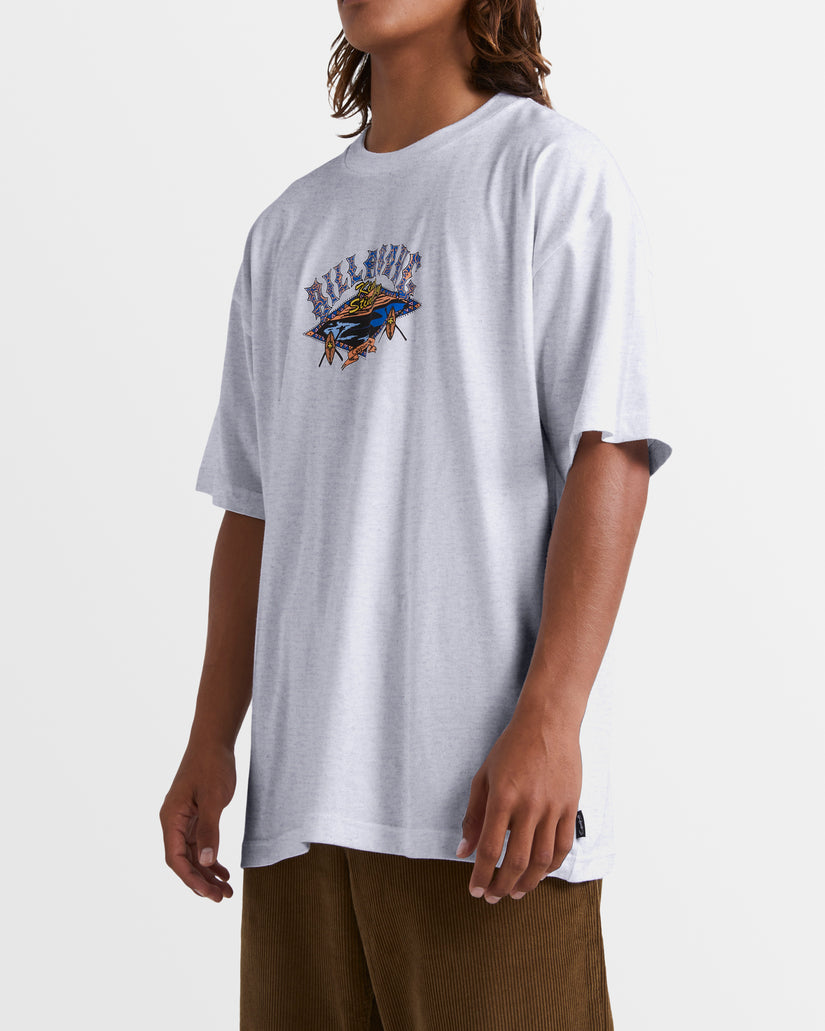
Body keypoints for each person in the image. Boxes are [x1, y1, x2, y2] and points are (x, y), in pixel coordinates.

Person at [159, 1, 673, 1027]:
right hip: (301, 815)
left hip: (488, 812)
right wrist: (210, 738)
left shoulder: (547, 173)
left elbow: (610, 449)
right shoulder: (289, 229)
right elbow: (254, 508)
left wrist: (550, 718)